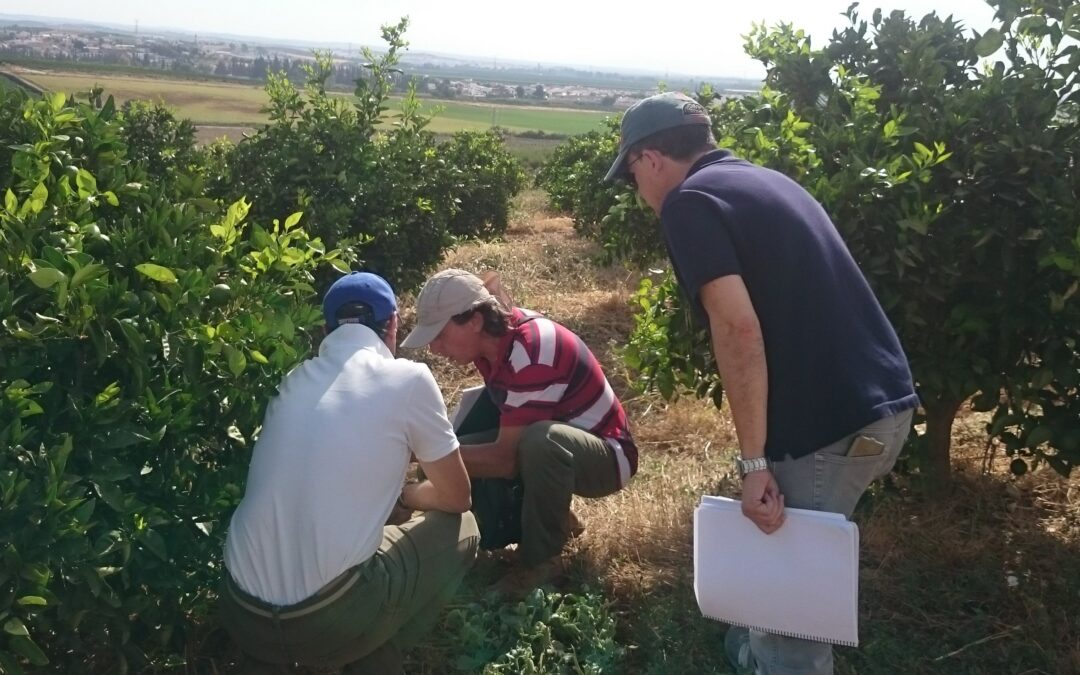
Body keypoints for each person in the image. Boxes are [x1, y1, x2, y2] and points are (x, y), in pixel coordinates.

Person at [605, 92, 919, 674]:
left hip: (829, 428)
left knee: (787, 612)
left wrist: (755, 465)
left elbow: (738, 329)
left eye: (630, 177)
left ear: (649, 159)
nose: (639, 193)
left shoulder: (688, 203)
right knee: (784, 574)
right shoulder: (763, 181)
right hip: (881, 404)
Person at [219, 271, 478, 675]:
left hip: (243, 615)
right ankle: (374, 658)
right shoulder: (409, 379)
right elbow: (456, 496)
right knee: (464, 527)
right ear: (392, 324)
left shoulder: (290, 382)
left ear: (326, 329)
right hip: (326, 621)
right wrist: (406, 496)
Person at [400, 268, 637, 593]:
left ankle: (542, 562)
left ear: (474, 321)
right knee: (465, 446)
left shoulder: (532, 353)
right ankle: (554, 520)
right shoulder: (493, 346)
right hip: (566, 439)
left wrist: (419, 454)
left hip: (608, 457)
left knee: (539, 442)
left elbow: (504, 460)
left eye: (440, 335)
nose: (435, 349)